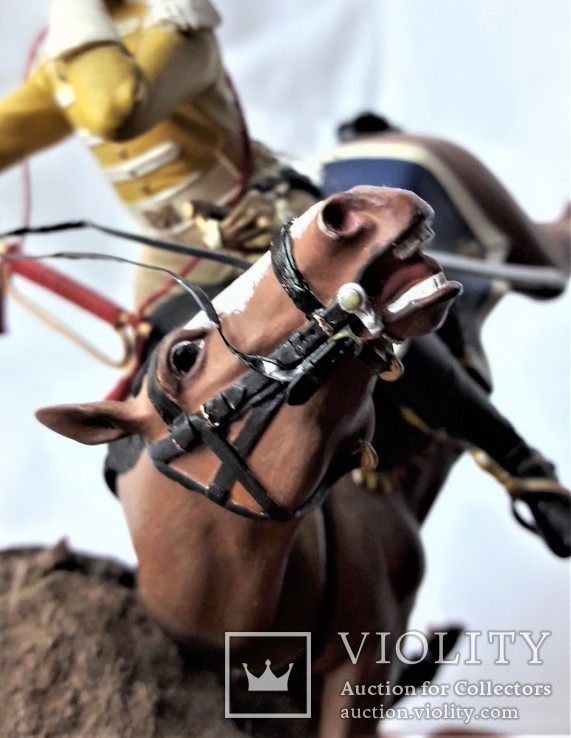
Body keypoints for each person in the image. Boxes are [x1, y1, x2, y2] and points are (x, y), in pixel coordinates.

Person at [321, 112, 571, 557]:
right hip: (256, 259)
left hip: (352, 262)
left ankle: (528, 470)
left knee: (386, 339)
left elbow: (547, 275)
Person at [0, 0, 319, 316]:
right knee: (151, 353)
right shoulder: (66, 56)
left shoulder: (171, 18)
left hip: (251, 220)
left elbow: (116, 111)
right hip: (170, 250)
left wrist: (75, 10)